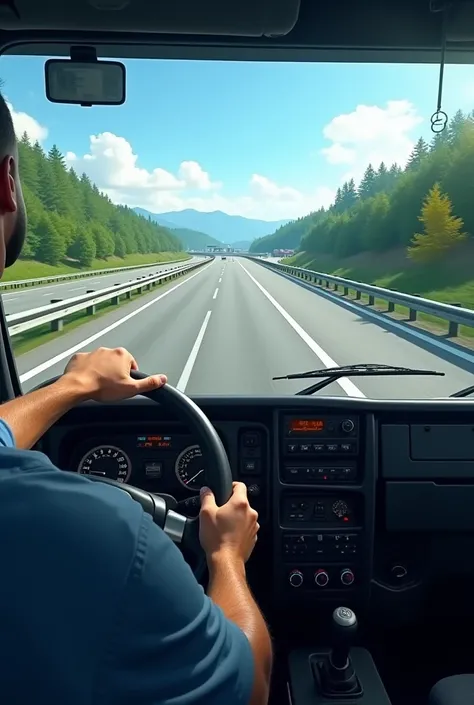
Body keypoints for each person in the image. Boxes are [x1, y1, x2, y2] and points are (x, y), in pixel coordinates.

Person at [0, 92, 273, 704]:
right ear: (6, 184)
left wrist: (72, 386)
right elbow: (250, 685)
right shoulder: (105, 534)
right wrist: (227, 556)